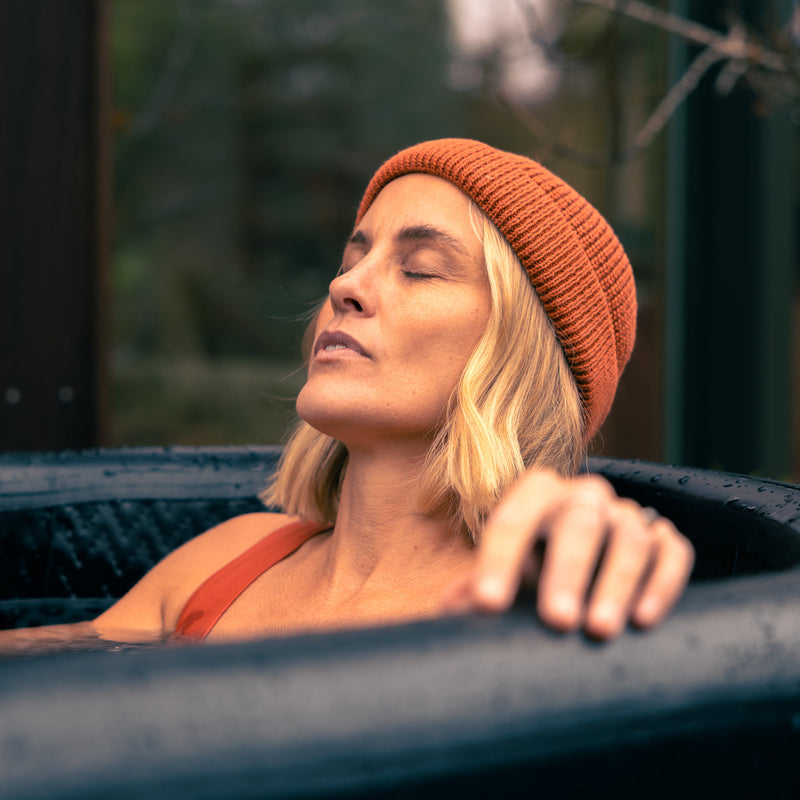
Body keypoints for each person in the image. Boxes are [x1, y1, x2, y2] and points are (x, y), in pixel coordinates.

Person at [2, 139, 693, 653]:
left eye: (419, 270)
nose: (346, 286)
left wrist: (596, 549)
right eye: (351, 259)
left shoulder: (525, 604)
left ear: (518, 355)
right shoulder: (232, 556)